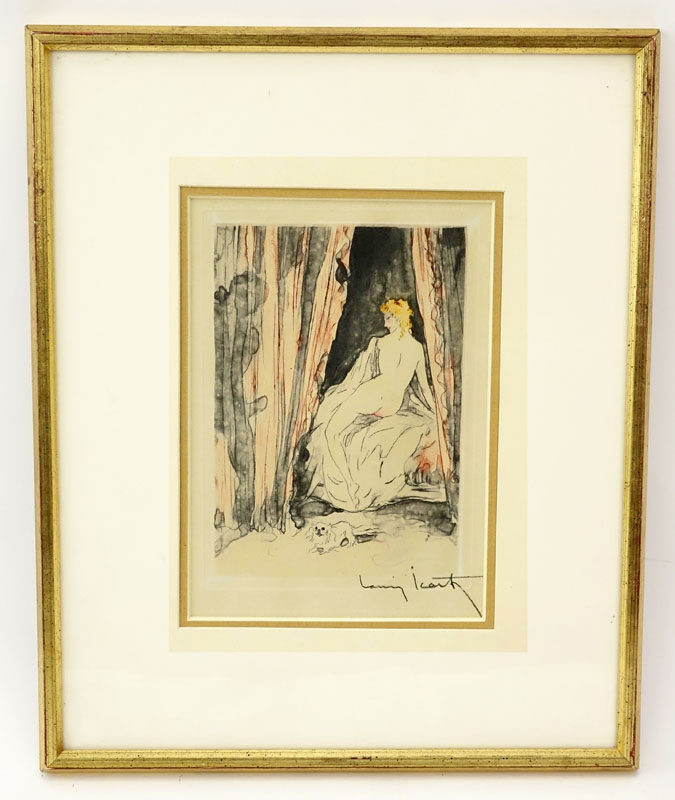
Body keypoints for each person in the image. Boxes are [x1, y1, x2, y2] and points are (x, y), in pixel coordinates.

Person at [302, 298, 444, 512]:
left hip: (375, 394)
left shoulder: (379, 343)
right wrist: (436, 410)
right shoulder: (416, 348)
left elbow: (362, 377)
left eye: (388, 318)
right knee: (338, 425)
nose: (385, 323)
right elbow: (423, 386)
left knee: (332, 430)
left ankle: (350, 487)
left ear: (397, 318)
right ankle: (352, 483)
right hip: (392, 402)